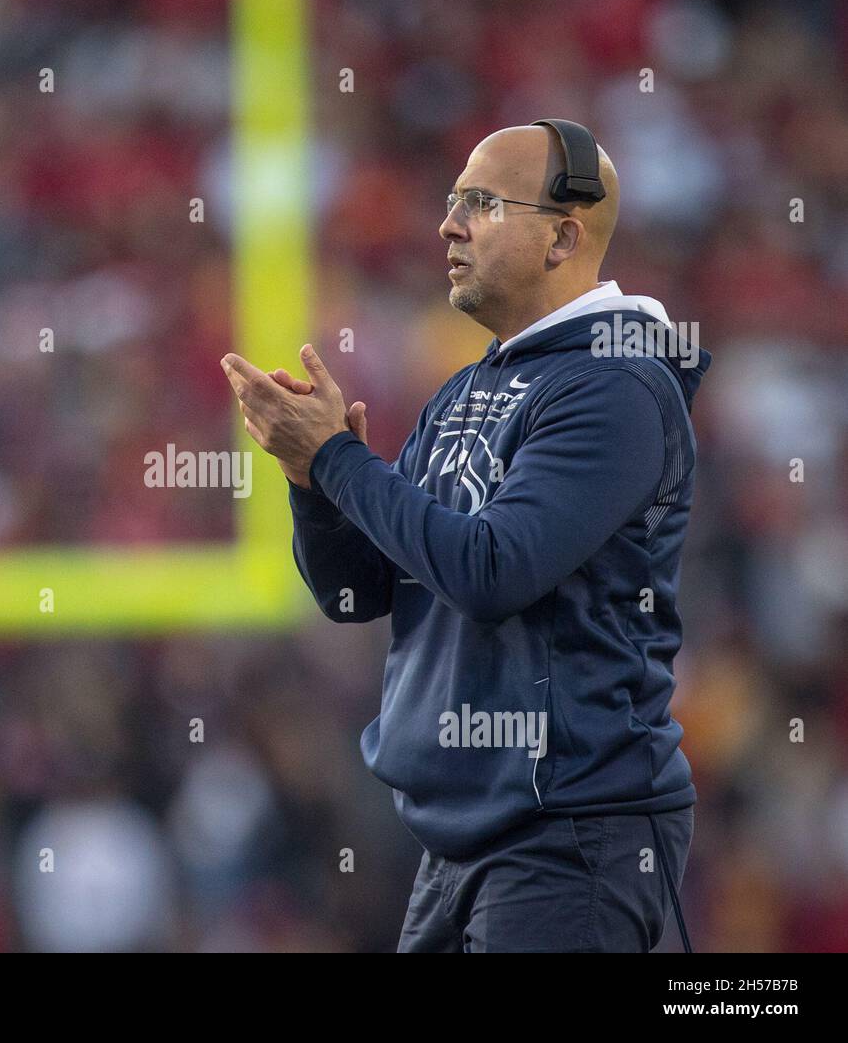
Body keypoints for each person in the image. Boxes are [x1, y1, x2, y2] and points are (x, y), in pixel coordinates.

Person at [221, 122, 709, 952]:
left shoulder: (616, 387)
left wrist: (337, 458)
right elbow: (358, 592)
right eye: (452, 203)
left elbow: (492, 572)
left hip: (571, 833)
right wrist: (311, 481)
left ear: (563, 235)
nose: (448, 225)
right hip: (465, 838)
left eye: (480, 204)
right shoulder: (468, 386)